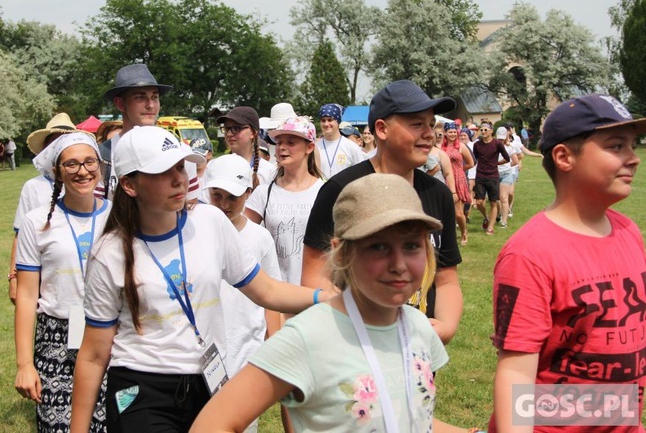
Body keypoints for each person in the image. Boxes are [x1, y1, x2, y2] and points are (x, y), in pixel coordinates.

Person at [70, 126, 328, 433]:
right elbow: (94, 355)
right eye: (163, 171)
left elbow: (267, 290)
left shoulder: (210, 222)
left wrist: (325, 298)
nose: (179, 178)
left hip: (208, 383)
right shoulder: (108, 252)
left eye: (180, 166)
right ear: (129, 184)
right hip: (140, 388)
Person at [191, 174, 480, 433]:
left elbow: (410, 417)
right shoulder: (308, 337)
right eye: (378, 246)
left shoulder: (418, 327)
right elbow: (214, 423)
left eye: (412, 245)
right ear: (341, 254)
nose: (399, 264)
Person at [491, 94, 646, 432]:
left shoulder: (629, 232)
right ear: (564, 157)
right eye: (617, 146)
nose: (633, 158)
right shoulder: (530, 254)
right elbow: (516, 373)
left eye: (633, 145)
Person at [302, 80, 463, 345]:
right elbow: (314, 278)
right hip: (354, 349)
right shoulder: (340, 190)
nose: (429, 134)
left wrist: (445, 327)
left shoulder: (438, 194)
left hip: (416, 350)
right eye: (416, 124)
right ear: (381, 129)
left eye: (431, 124)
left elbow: (446, 280)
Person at [14, 132, 109, 432]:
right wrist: (24, 365)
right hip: (56, 339)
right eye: (71, 164)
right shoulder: (36, 222)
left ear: (100, 165)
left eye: (89, 161)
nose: (83, 171)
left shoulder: (120, 215)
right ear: (56, 171)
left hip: (113, 336)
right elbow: (28, 296)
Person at [204, 154, 282, 433]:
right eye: (217, 195)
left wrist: (275, 345)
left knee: (242, 423)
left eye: (232, 197)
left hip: (247, 344)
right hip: (207, 347)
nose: (224, 205)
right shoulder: (196, 231)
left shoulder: (259, 237)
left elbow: (272, 292)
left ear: (249, 193)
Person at [7, 113, 89, 304]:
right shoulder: (33, 187)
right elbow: (20, 235)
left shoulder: (87, 183)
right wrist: (13, 277)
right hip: (46, 273)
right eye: (53, 143)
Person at [246, 117, 324, 287]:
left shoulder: (324, 192)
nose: (282, 147)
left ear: (309, 147)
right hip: (274, 293)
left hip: (314, 294)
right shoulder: (263, 193)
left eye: (291, 142)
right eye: (279, 142)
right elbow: (241, 235)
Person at [99, 63, 173, 199]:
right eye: (140, 97)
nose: (150, 105)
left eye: (155, 97)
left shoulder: (175, 149)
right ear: (120, 104)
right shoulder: (101, 155)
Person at [217, 106, 276, 187]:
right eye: (226, 128)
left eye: (236, 128)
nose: (229, 134)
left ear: (253, 133)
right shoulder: (216, 166)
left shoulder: (269, 171)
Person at [472, 121, 509, 236]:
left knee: (493, 202)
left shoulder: (497, 144)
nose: (483, 132)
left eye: (485, 130)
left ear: (491, 131)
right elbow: (475, 159)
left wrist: (496, 164)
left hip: (493, 176)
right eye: (481, 130)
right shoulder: (477, 145)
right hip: (480, 176)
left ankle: (490, 227)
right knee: (479, 202)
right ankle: (486, 217)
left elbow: (507, 158)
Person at [442, 122, 474, 246]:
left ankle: (464, 232)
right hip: (444, 178)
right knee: (445, 211)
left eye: (455, 132)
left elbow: (471, 163)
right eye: (450, 132)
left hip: (458, 179)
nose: (453, 134)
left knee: (458, 213)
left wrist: (459, 171)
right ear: (445, 133)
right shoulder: (441, 147)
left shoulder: (461, 146)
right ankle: (448, 236)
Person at [316, 104, 366, 179]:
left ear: (338, 122)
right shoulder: (315, 147)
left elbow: (362, 175)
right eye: (323, 120)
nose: (326, 124)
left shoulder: (351, 147)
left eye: (330, 120)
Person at [495, 126, 519, 229]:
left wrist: (506, 166)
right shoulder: (493, 147)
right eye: (499, 139)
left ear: (506, 137)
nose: (500, 141)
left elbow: (516, 161)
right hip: (495, 174)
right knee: (496, 199)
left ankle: (504, 221)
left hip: (506, 174)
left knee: (504, 198)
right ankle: (499, 214)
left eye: (502, 138)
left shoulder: (509, 148)